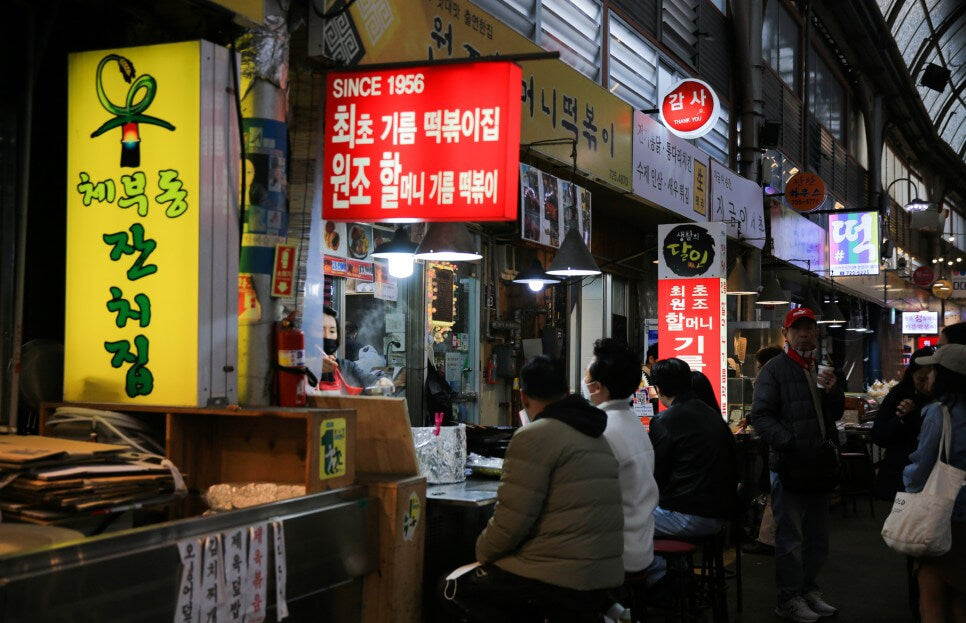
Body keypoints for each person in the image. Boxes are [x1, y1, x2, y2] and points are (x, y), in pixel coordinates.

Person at [439, 356, 624, 621]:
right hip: (601, 574)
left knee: (451, 587)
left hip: (560, 578)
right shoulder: (594, 433)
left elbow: (510, 524)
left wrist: (480, 553)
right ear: (567, 392)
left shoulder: (535, 435)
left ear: (524, 397)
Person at [751, 307, 844, 622]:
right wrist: (790, 443)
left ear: (816, 332)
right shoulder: (774, 370)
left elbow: (834, 414)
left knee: (818, 536)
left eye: (809, 328)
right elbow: (761, 416)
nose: (804, 333)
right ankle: (788, 598)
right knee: (791, 538)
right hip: (789, 465)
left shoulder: (821, 367)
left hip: (819, 465)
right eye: (797, 328)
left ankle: (808, 590)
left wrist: (833, 392)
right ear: (786, 334)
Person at [645, 358, 737, 586]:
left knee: (618, 521)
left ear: (658, 389)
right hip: (717, 514)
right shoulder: (711, 413)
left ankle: (661, 578)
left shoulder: (666, 420)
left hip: (689, 515)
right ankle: (677, 570)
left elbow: (656, 476)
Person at [583, 338, 659, 574]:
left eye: (587, 375)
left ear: (596, 386)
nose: (584, 381)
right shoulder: (632, 422)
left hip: (615, 554)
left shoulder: (603, 430)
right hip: (640, 546)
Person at [902, 345, 966, 623]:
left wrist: (908, 487)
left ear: (945, 375)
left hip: (944, 513)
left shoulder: (939, 412)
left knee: (932, 597)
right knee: (962, 596)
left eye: (933, 370)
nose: (926, 374)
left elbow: (920, 467)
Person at [872, 347, 934, 501]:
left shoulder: (943, 399)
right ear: (912, 374)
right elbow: (878, 435)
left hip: (932, 478)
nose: (926, 385)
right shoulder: (898, 395)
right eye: (921, 379)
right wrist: (900, 418)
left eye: (930, 379)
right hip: (900, 473)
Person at [743, 345, 786, 556]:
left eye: (760, 366)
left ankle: (768, 541)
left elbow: (769, 412)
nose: (758, 370)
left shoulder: (773, 379)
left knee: (774, 491)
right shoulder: (785, 377)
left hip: (778, 449)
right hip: (780, 447)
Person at [317, 306, 391, 393]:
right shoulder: (301, 366)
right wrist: (314, 366)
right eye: (320, 330)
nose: (327, 336)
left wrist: (381, 382)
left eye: (332, 331)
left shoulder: (346, 366)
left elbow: (367, 379)